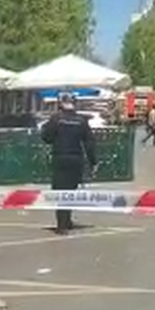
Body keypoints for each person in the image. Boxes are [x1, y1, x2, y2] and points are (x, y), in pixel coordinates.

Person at [40, 91, 97, 235]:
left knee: (60, 190)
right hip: (76, 158)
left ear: (60, 103)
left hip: (60, 158)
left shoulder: (56, 119)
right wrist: (93, 162)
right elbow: (89, 143)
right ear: (74, 103)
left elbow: (46, 138)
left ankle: (62, 224)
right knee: (71, 190)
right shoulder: (81, 120)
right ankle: (67, 220)